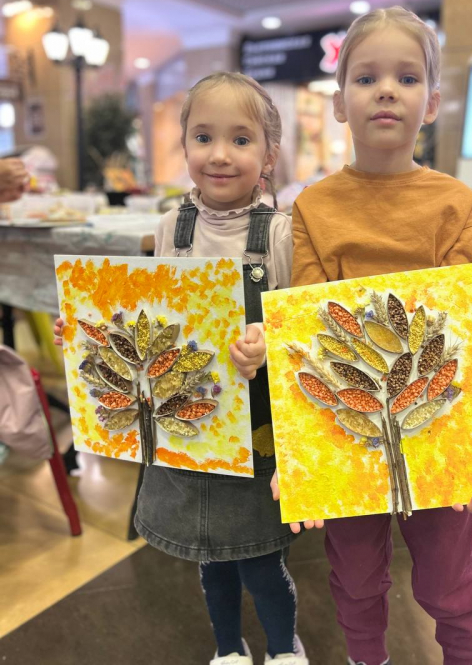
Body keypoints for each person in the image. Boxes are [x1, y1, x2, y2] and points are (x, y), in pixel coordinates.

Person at [55, 72, 308, 665]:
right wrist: (85, 333)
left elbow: (299, 326)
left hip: (257, 429)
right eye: (203, 137)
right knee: (209, 559)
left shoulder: (280, 233)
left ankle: (284, 647)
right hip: (189, 425)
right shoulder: (171, 227)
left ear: (269, 154)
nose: (219, 154)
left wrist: (268, 340)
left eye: (240, 140)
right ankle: (228, 648)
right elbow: (151, 312)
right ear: (184, 144)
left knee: (261, 561)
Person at [284, 7, 472, 665]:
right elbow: (307, 331)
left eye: (407, 78)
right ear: (339, 104)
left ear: (431, 103)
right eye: (366, 78)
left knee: (449, 582)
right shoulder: (313, 207)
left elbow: (463, 331)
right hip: (347, 423)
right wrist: (304, 461)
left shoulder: (454, 203)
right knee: (355, 577)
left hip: (436, 423)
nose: (386, 90)